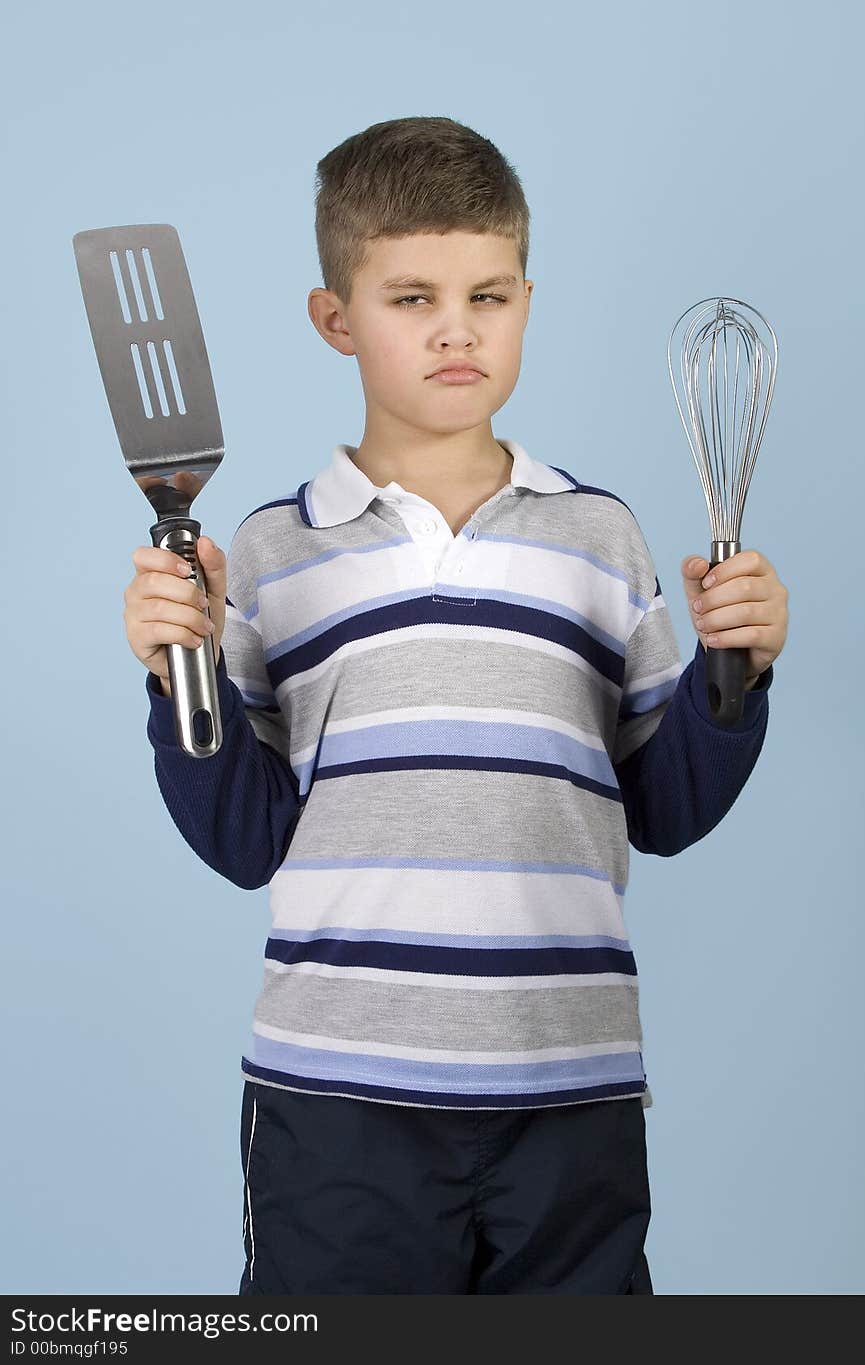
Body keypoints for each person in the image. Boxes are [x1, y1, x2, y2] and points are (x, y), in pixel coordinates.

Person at [122, 116, 789, 1295]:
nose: (454, 329)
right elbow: (241, 840)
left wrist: (731, 676)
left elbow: (665, 805)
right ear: (337, 319)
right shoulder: (273, 554)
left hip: (572, 1095)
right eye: (411, 296)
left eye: (487, 295)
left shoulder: (597, 534)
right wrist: (178, 665)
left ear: (527, 299)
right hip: (340, 1105)